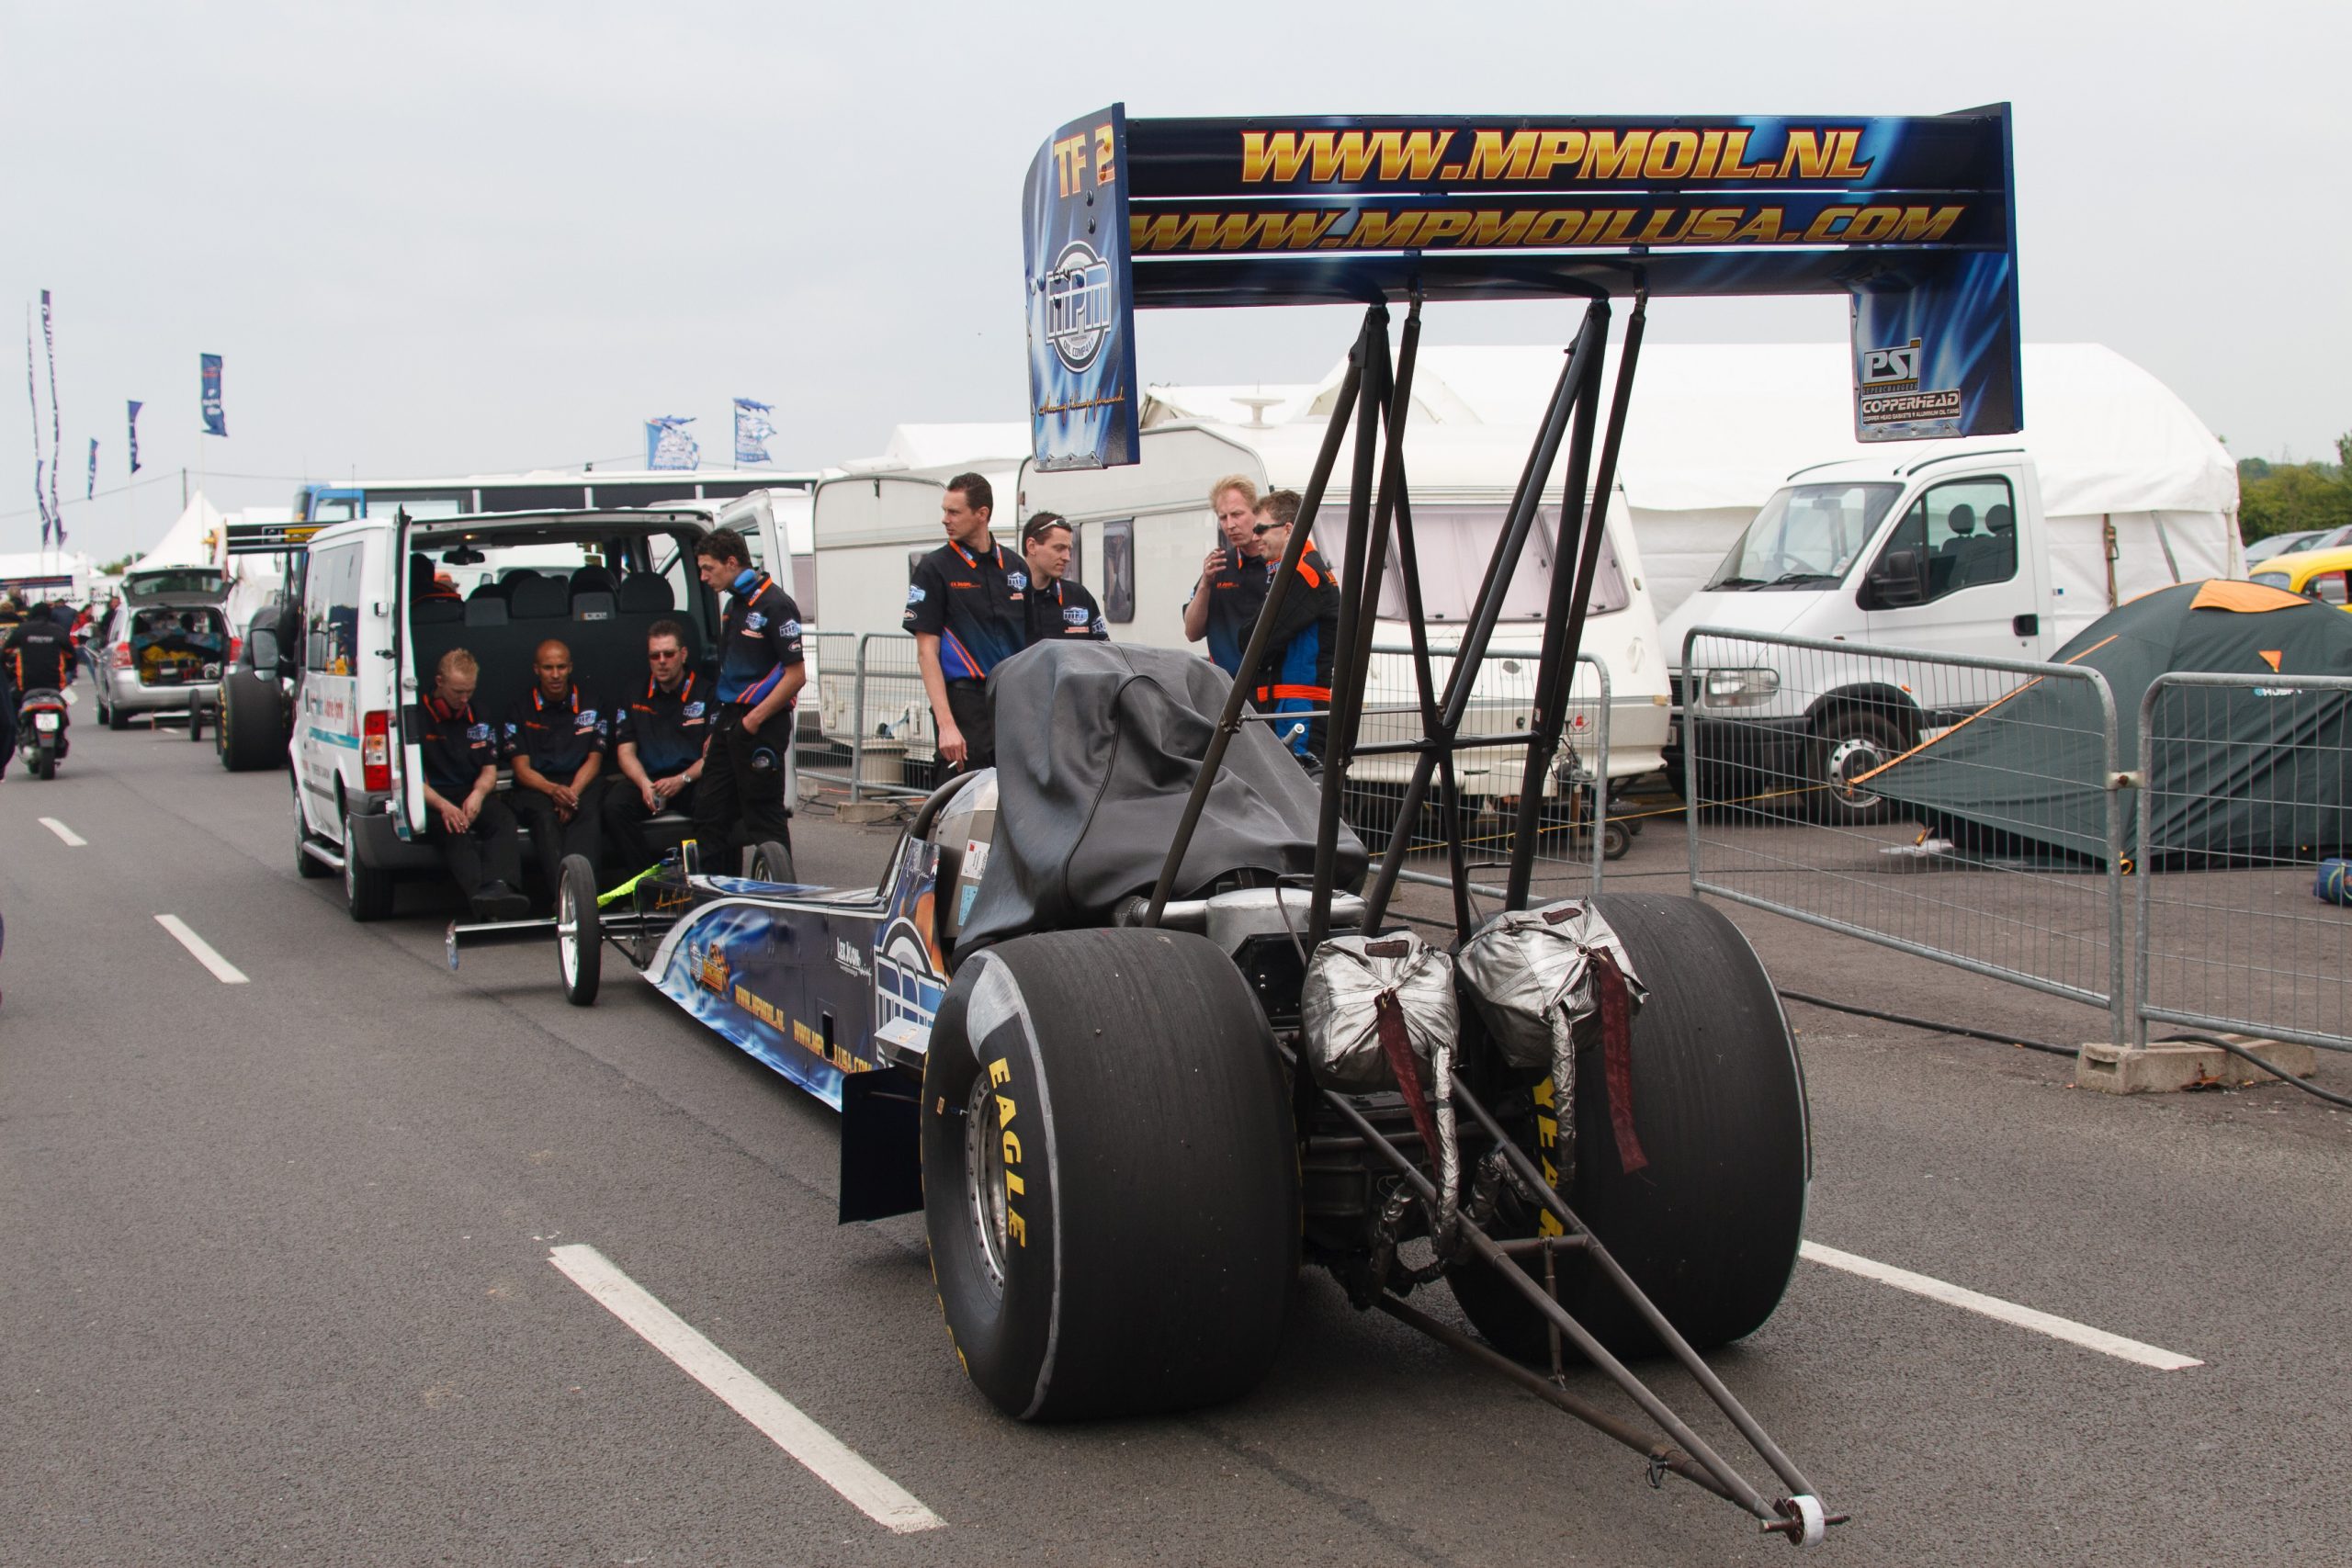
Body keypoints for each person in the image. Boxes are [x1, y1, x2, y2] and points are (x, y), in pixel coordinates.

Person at [693, 527, 806, 874]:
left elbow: (796, 676)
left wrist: (754, 720)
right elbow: (727, 674)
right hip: (729, 720)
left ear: (731, 562)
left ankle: (782, 901)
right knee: (709, 811)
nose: (703, 576)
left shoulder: (776, 604)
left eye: (708, 568)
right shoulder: (733, 606)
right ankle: (717, 899)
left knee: (763, 814)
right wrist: (720, 726)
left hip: (761, 725)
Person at [905, 472, 1027, 772]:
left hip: (1013, 701)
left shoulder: (1015, 567)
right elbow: (926, 653)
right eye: (944, 511)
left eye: (954, 512)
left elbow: (1032, 643)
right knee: (963, 808)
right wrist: (946, 724)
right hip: (965, 702)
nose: (945, 519)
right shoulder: (934, 568)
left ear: (981, 514)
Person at [416, 649, 529, 922]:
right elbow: (411, 779)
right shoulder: (417, 717)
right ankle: (481, 898)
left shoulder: (480, 713)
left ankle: (503, 889)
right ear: (440, 682)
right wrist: (444, 807)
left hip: (470, 792)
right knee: (455, 830)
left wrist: (478, 794)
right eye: (457, 692)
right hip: (433, 797)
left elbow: (489, 769)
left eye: (470, 691)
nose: (464, 699)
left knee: (502, 818)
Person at [502, 637, 609, 907]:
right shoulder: (519, 708)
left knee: (588, 811)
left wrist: (570, 794)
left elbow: (595, 760)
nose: (555, 674)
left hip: (580, 781)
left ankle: (583, 897)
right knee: (544, 817)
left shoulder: (592, 701)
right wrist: (554, 792)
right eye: (548, 668)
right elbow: (521, 769)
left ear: (570, 667)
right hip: (538, 785)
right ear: (536, 669)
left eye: (561, 667)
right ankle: (564, 898)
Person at [602, 618, 710, 874]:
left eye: (668, 654)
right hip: (650, 782)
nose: (661, 661)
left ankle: (708, 879)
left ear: (683, 655)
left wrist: (681, 780)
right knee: (614, 806)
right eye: (654, 655)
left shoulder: (707, 693)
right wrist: (644, 784)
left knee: (714, 800)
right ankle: (646, 882)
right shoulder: (633, 694)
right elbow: (625, 752)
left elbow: (713, 755)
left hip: (690, 780)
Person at [1245, 489, 1340, 767]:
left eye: (1261, 529)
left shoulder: (1303, 573)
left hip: (1300, 705)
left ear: (1287, 529)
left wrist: (1249, 638)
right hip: (1288, 702)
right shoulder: (1292, 571)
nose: (1255, 537)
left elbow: (1255, 644)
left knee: (1299, 790)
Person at [1182, 474, 1268, 682]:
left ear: (1256, 513)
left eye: (1237, 514)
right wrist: (1205, 585)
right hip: (1225, 687)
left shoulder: (1277, 564)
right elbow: (1192, 633)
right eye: (1223, 517)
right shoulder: (1218, 566)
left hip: (1268, 686)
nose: (1230, 525)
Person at [1021, 512, 1108, 645]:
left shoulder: (1080, 597)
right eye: (1059, 548)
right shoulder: (1008, 597)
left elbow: (1104, 652)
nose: (1067, 557)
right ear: (1032, 546)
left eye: (1068, 549)